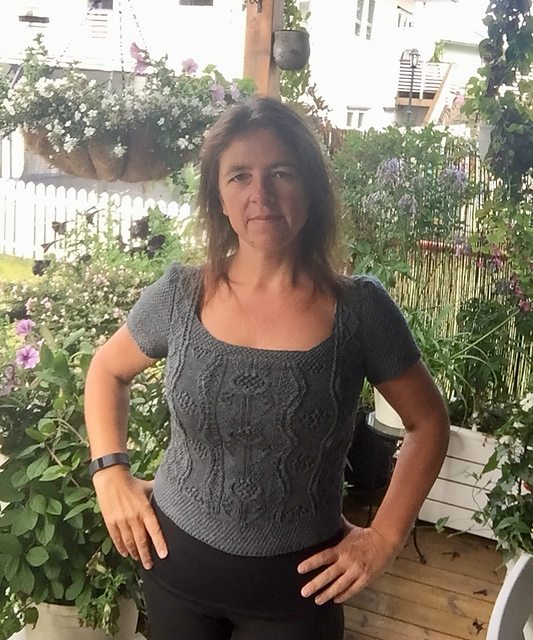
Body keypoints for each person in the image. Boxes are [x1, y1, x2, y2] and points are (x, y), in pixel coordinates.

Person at [84, 97, 450, 640]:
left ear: (311, 187)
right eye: (239, 176)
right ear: (219, 197)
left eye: (281, 172)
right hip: (173, 568)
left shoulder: (359, 311)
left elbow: (429, 423)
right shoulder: (181, 295)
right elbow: (106, 371)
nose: (261, 194)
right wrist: (110, 472)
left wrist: (384, 538)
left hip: (298, 595)